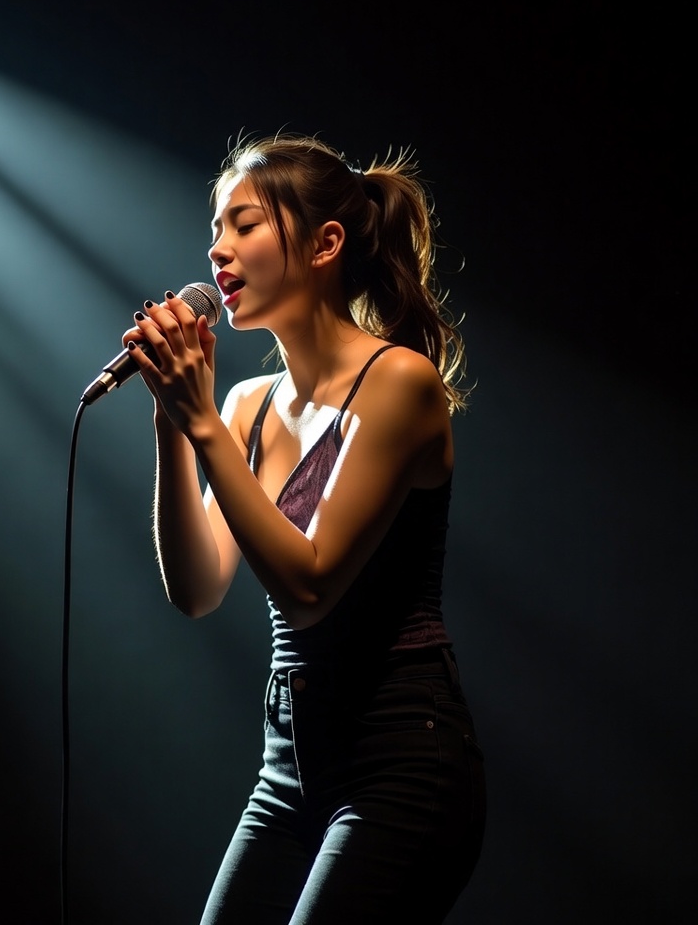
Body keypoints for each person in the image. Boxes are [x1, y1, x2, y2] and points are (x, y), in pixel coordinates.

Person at [123, 133, 485, 924]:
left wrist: (204, 429)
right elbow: (196, 589)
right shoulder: (248, 408)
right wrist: (172, 422)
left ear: (326, 244)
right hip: (288, 767)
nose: (217, 250)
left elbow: (311, 585)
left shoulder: (399, 382)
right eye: (215, 228)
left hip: (399, 758)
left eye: (244, 224)